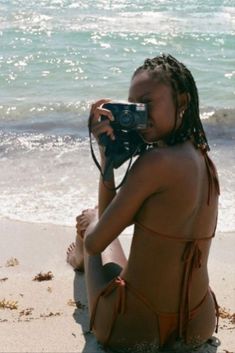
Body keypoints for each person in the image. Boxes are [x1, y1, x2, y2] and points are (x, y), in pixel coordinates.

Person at [67, 54, 220, 352]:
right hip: (197, 324)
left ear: (183, 100)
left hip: (135, 327)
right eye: (134, 105)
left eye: (148, 103)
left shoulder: (154, 162)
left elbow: (99, 241)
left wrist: (107, 161)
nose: (140, 113)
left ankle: (79, 261)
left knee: (92, 221)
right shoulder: (206, 161)